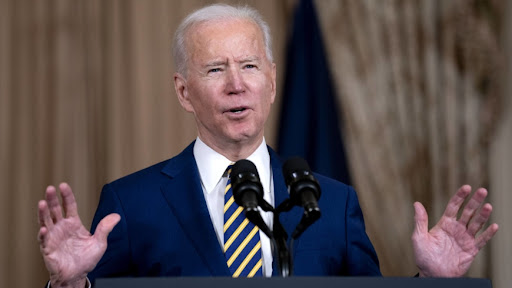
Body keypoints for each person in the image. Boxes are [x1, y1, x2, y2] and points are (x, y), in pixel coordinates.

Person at [37, 4, 499, 288]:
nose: (237, 85)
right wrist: (71, 281)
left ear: (273, 83)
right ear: (183, 92)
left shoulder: (333, 204)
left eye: (251, 67)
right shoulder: (130, 203)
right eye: (216, 69)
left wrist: (432, 284)